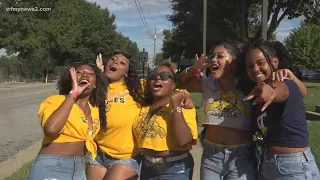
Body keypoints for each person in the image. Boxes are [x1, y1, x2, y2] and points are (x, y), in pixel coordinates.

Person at [87, 51, 195, 180]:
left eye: (122, 63)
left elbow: (171, 87)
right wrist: (98, 75)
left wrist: (184, 94)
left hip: (127, 156)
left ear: (127, 72)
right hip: (100, 153)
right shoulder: (97, 88)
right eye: (113, 59)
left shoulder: (136, 87)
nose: (157, 78)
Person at [237, 40, 319, 180]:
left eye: (260, 62)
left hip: (294, 168)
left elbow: (282, 91)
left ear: (274, 62)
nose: (255, 69)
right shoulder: (255, 96)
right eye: (250, 66)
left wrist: (271, 89)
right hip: (267, 165)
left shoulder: (285, 82)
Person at [179, 43, 257, 180]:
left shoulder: (248, 85)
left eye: (220, 56)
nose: (213, 60)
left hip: (241, 158)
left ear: (234, 63)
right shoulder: (207, 83)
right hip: (211, 157)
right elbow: (181, 82)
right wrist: (193, 69)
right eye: (212, 57)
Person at [27, 62, 107, 180]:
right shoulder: (56, 101)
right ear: (71, 80)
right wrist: (73, 94)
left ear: (95, 84)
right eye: (79, 73)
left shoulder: (95, 109)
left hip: (79, 168)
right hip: (52, 165)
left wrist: (101, 73)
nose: (85, 75)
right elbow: (51, 129)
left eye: (90, 74)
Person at [133, 60, 198, 180]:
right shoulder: (142, 105)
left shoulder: (184, 105)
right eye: (153, 76)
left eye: (164, 76)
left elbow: (184, 141)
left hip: (175, 168)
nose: (157, 78)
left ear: (173, 85)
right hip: (147, 167)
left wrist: (176, 106)